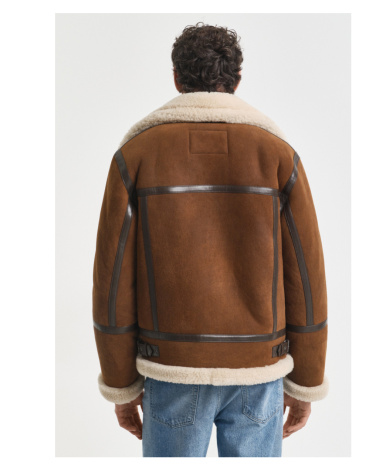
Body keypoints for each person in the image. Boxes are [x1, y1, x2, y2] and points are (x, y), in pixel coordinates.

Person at [92, 22, 328, 457]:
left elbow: (113, 278)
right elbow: (306, 274)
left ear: (176, 79)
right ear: (236, 80)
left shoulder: (137, 153)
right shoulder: (277, 153)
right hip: (258, 371)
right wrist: (306, 381)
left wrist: (120, 384)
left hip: (172, 371)